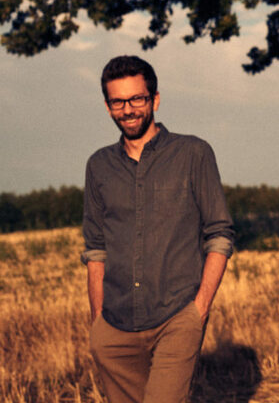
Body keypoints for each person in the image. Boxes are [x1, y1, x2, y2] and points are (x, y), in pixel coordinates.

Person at [82, 55, 234, 403]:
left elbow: (220, 234)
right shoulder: (98, 165)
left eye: (137, 98)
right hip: (115, 327)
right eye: (118, 102)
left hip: (177, 316)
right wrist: (97, 324)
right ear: (108, 107)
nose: (129, 109)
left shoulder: (193, 153)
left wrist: (200, 309)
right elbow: (95, 248)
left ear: (155, 99)